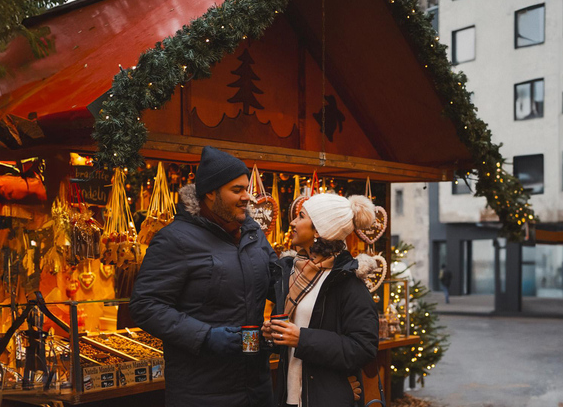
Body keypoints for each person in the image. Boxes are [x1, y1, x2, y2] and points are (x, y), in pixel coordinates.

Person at [129, 146, 277, 407]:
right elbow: (146, 306)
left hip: (256, 387)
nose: (247, 197)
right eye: (237, 190)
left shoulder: (253, 234)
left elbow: (277, 281)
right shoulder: (175, 239)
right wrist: (206, 336)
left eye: (247, 188)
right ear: (210, 192)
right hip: (202, 391)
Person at [264, 193, 380, 407]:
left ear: (318, 230)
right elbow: (290, 339)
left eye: (300, 216)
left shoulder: (347, 282)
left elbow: (364, 348)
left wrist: (302, 339)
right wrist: (274, 335)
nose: (292, 222)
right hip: (288, 396)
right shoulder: (292, 273)